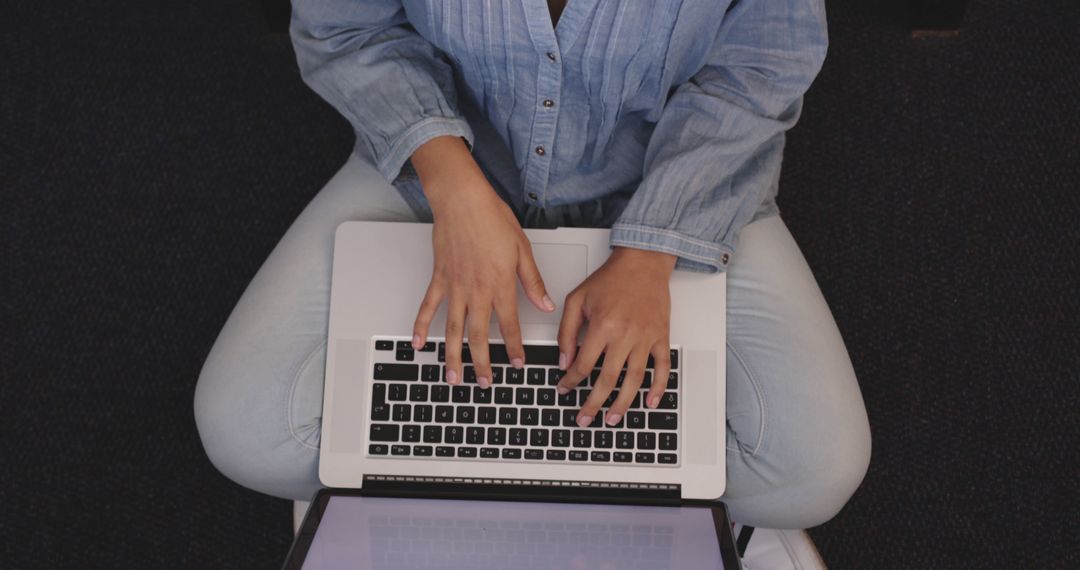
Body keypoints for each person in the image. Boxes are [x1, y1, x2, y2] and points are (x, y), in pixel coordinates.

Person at [194, 0, 871, 534]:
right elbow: (343, 27)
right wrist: (452, 184)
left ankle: (390, 486)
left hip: (677, 177)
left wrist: (651, 250)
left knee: (815, 473)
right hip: (444, 165)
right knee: (244, 430)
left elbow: (762, 67)